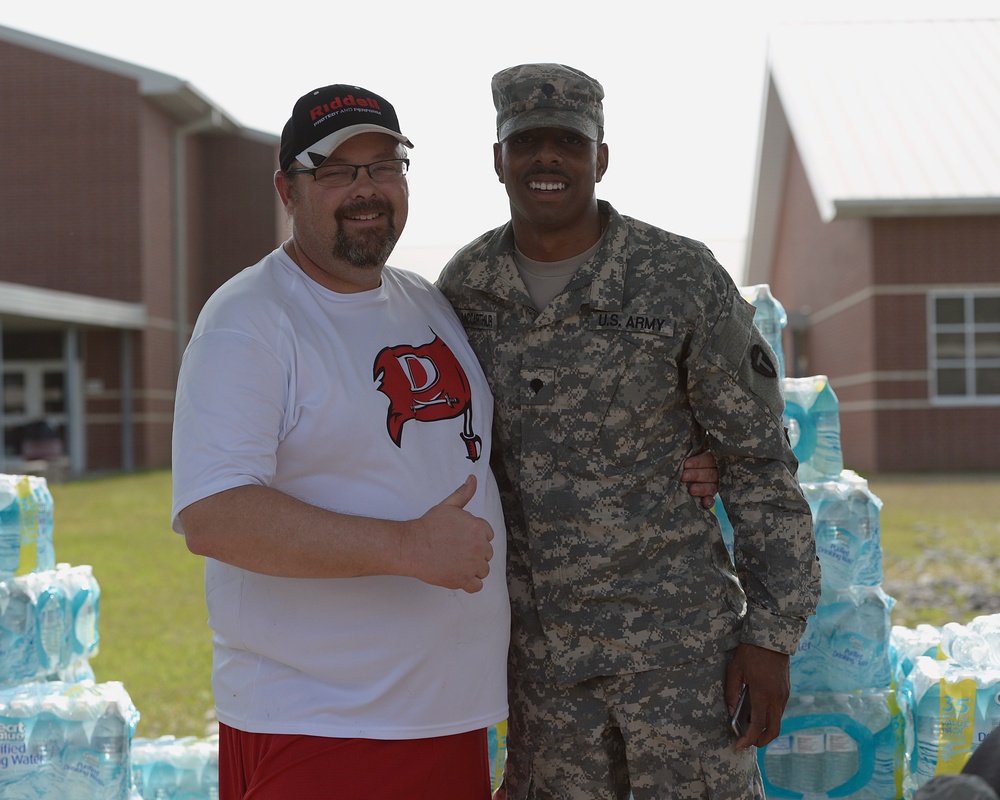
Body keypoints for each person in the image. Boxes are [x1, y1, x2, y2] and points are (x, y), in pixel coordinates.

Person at [171, 82, 720, 799]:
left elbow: (512, 432)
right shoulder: (251, 318)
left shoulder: (426, 299)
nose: (365, 190)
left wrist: (673, 457)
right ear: (287, 188)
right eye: (337, 171)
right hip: (326, 725)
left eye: (384, 167)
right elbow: (214, 515)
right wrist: (407, 548)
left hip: (448, 721)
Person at [436, 63, 822, 800]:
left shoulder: (676, 276)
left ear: (600, 158)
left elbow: (757, 464)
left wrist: (770, 638)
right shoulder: (465, 290)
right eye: (527, 142)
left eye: (568, 143)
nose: (547, 158)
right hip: (542, 675)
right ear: (498, 160)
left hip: (679, 662)